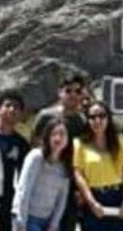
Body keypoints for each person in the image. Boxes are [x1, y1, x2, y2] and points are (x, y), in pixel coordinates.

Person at [32, 74, 87, 231]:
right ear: (60, 92)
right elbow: (34, 146)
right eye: (68, 91)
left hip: (68, 183)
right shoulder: (45, 116)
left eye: (77, 91)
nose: (73, 95)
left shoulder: (82, 122)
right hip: (43, 181)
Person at [74, 101, 123, 231]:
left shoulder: (119, 141)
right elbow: (78, 175)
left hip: (118, 196)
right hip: (93, 197)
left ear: (108, 118)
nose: (97, 120)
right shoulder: (79, 143)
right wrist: (92, 203)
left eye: (102, 116)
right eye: (92, 117)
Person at [12, 118, 72, 231]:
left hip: (48, 221)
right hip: (28, 218)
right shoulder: (36, 157)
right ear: (47, 136)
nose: (58, 138)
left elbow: (62, 198)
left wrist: (54, 224)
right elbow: (24, 190)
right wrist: (21, 222)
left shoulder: (65, 165)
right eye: (54, 134)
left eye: (62, 134)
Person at [0, 91, 30, 231]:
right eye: (7, 105)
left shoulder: (21, 144)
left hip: (5, 202)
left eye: (16, 107)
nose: (12, 109)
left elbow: (23, 178)